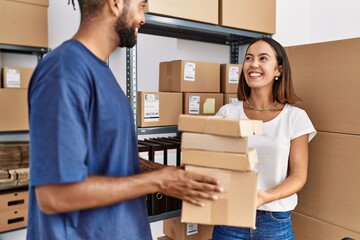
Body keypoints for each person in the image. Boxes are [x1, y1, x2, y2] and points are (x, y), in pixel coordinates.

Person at [26, 0, 223, 239]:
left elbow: (111, 157)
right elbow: (55, 194)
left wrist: (171, 174)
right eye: (141, 6)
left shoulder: (100, 71)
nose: (143, 18)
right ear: (116, 3)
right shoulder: (65, 70)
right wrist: (158, 181)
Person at [212, 37, 316, 240]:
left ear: (279, 70)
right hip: (230, 218)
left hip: (274, 221)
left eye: (263, 58)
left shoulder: (295, 117)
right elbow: (212, 164)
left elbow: (298, 176)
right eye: (249, 58)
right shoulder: (227, 113)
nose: (253, 64)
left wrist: (265, 197)